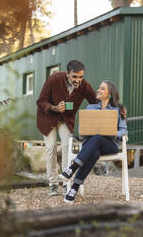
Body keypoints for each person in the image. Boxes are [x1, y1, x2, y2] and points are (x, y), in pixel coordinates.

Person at [59, 80, 128, 204]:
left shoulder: (119, 109)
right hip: (91, 146)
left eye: (102, 88)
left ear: (110, 94)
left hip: (110, 145)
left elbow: (123, 130)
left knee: (98, 137)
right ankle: (74, 189)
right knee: (94, 152)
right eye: (99, 88)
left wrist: (111, 132)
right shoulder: (90, 108)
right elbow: (81, 129)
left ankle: (72, 167)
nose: (98, 90)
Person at [36, 60, 97, 196]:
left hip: (66, 119)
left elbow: (95, 101)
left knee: (66, 147)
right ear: (67, 74)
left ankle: (65, 183)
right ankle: (52, 184)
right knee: (51, 146)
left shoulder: (84, 85)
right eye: (75, 76)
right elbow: (41, 101)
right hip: (48, 117)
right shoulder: (54, 79)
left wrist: (115, 107)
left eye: (81, 77)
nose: (78, 80)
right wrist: (54, 108)